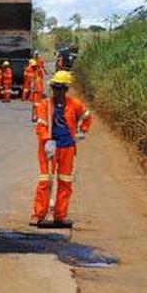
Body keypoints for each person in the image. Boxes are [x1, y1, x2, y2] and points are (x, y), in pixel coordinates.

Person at [30, 70, 92, 225]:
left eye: (60, 88)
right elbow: (41, 126)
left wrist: (83, 131)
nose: (57, 91)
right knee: (46, 180)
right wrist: (47, 140)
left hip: (67, 148)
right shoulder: (45, 105)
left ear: (65, 89)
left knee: (65, 182)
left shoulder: (74, 104)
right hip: (49, 149)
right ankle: (39, 215)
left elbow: (87, 116)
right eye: (55, 88)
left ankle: (60, 216)